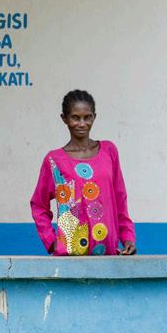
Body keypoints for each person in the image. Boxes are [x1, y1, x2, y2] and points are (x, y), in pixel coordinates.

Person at [30, 89, 136, 256]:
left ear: (94, 117)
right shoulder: (54, 160)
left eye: (87, 117)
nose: (82, 124)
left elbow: (120, 199)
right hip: (70, 256)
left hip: (108, 252)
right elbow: (38, 204)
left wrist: (128, 237)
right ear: (64, 119)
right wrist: (52, 242)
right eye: (75, 117)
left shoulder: (109, 151)